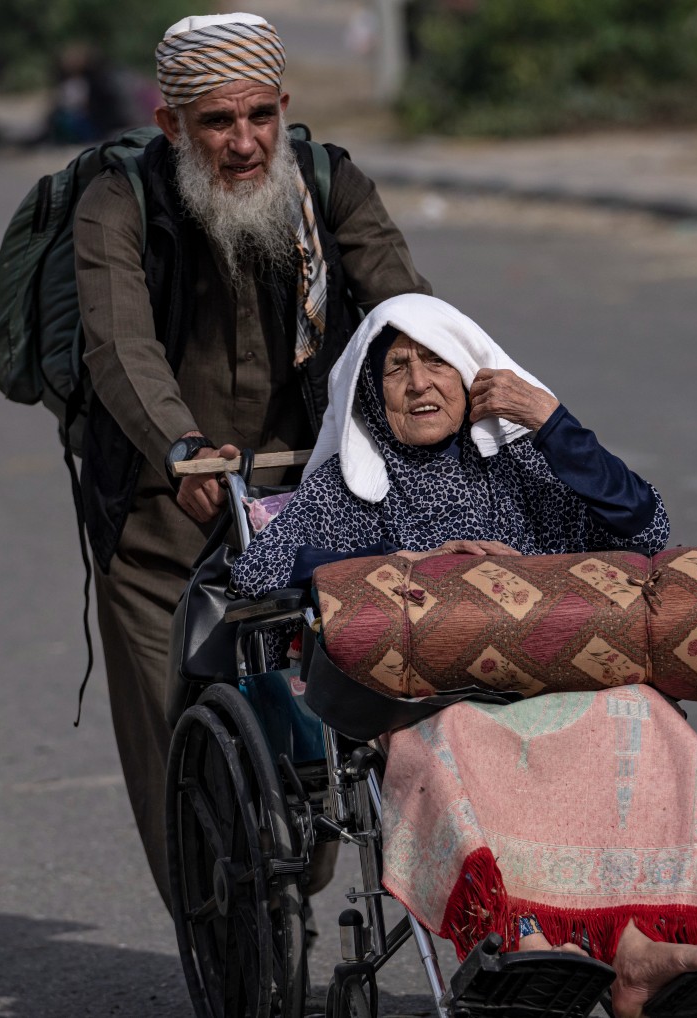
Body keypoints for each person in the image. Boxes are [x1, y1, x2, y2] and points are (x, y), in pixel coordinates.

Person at [232, 294, 697, 1018]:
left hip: (553, 683)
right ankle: (525, 933)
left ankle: (635, 947)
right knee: (468, 739)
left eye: (437, 361)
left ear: (470, 373)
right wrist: (402, 563)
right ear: (370, 392)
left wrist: (552, 424)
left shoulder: (517, 469)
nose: (419, 384)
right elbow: (257, 572)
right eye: (398, 368)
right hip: (433, 703)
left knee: (643, 716)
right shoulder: (350, 487)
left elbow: (645, 524)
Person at [72, 12, 431, 907]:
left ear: (283, 107)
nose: (244, 144)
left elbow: (405, 306)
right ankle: (218, 929)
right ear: (170, 125)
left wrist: (461, 396)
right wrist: (181, 449)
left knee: (331, 742)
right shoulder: (121, 202)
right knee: (177, 751)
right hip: (165, 514)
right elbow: (119, 346)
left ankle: (291, 869)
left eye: (261, 117)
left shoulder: (328, 182)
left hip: (314, 498)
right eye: (217, 123)